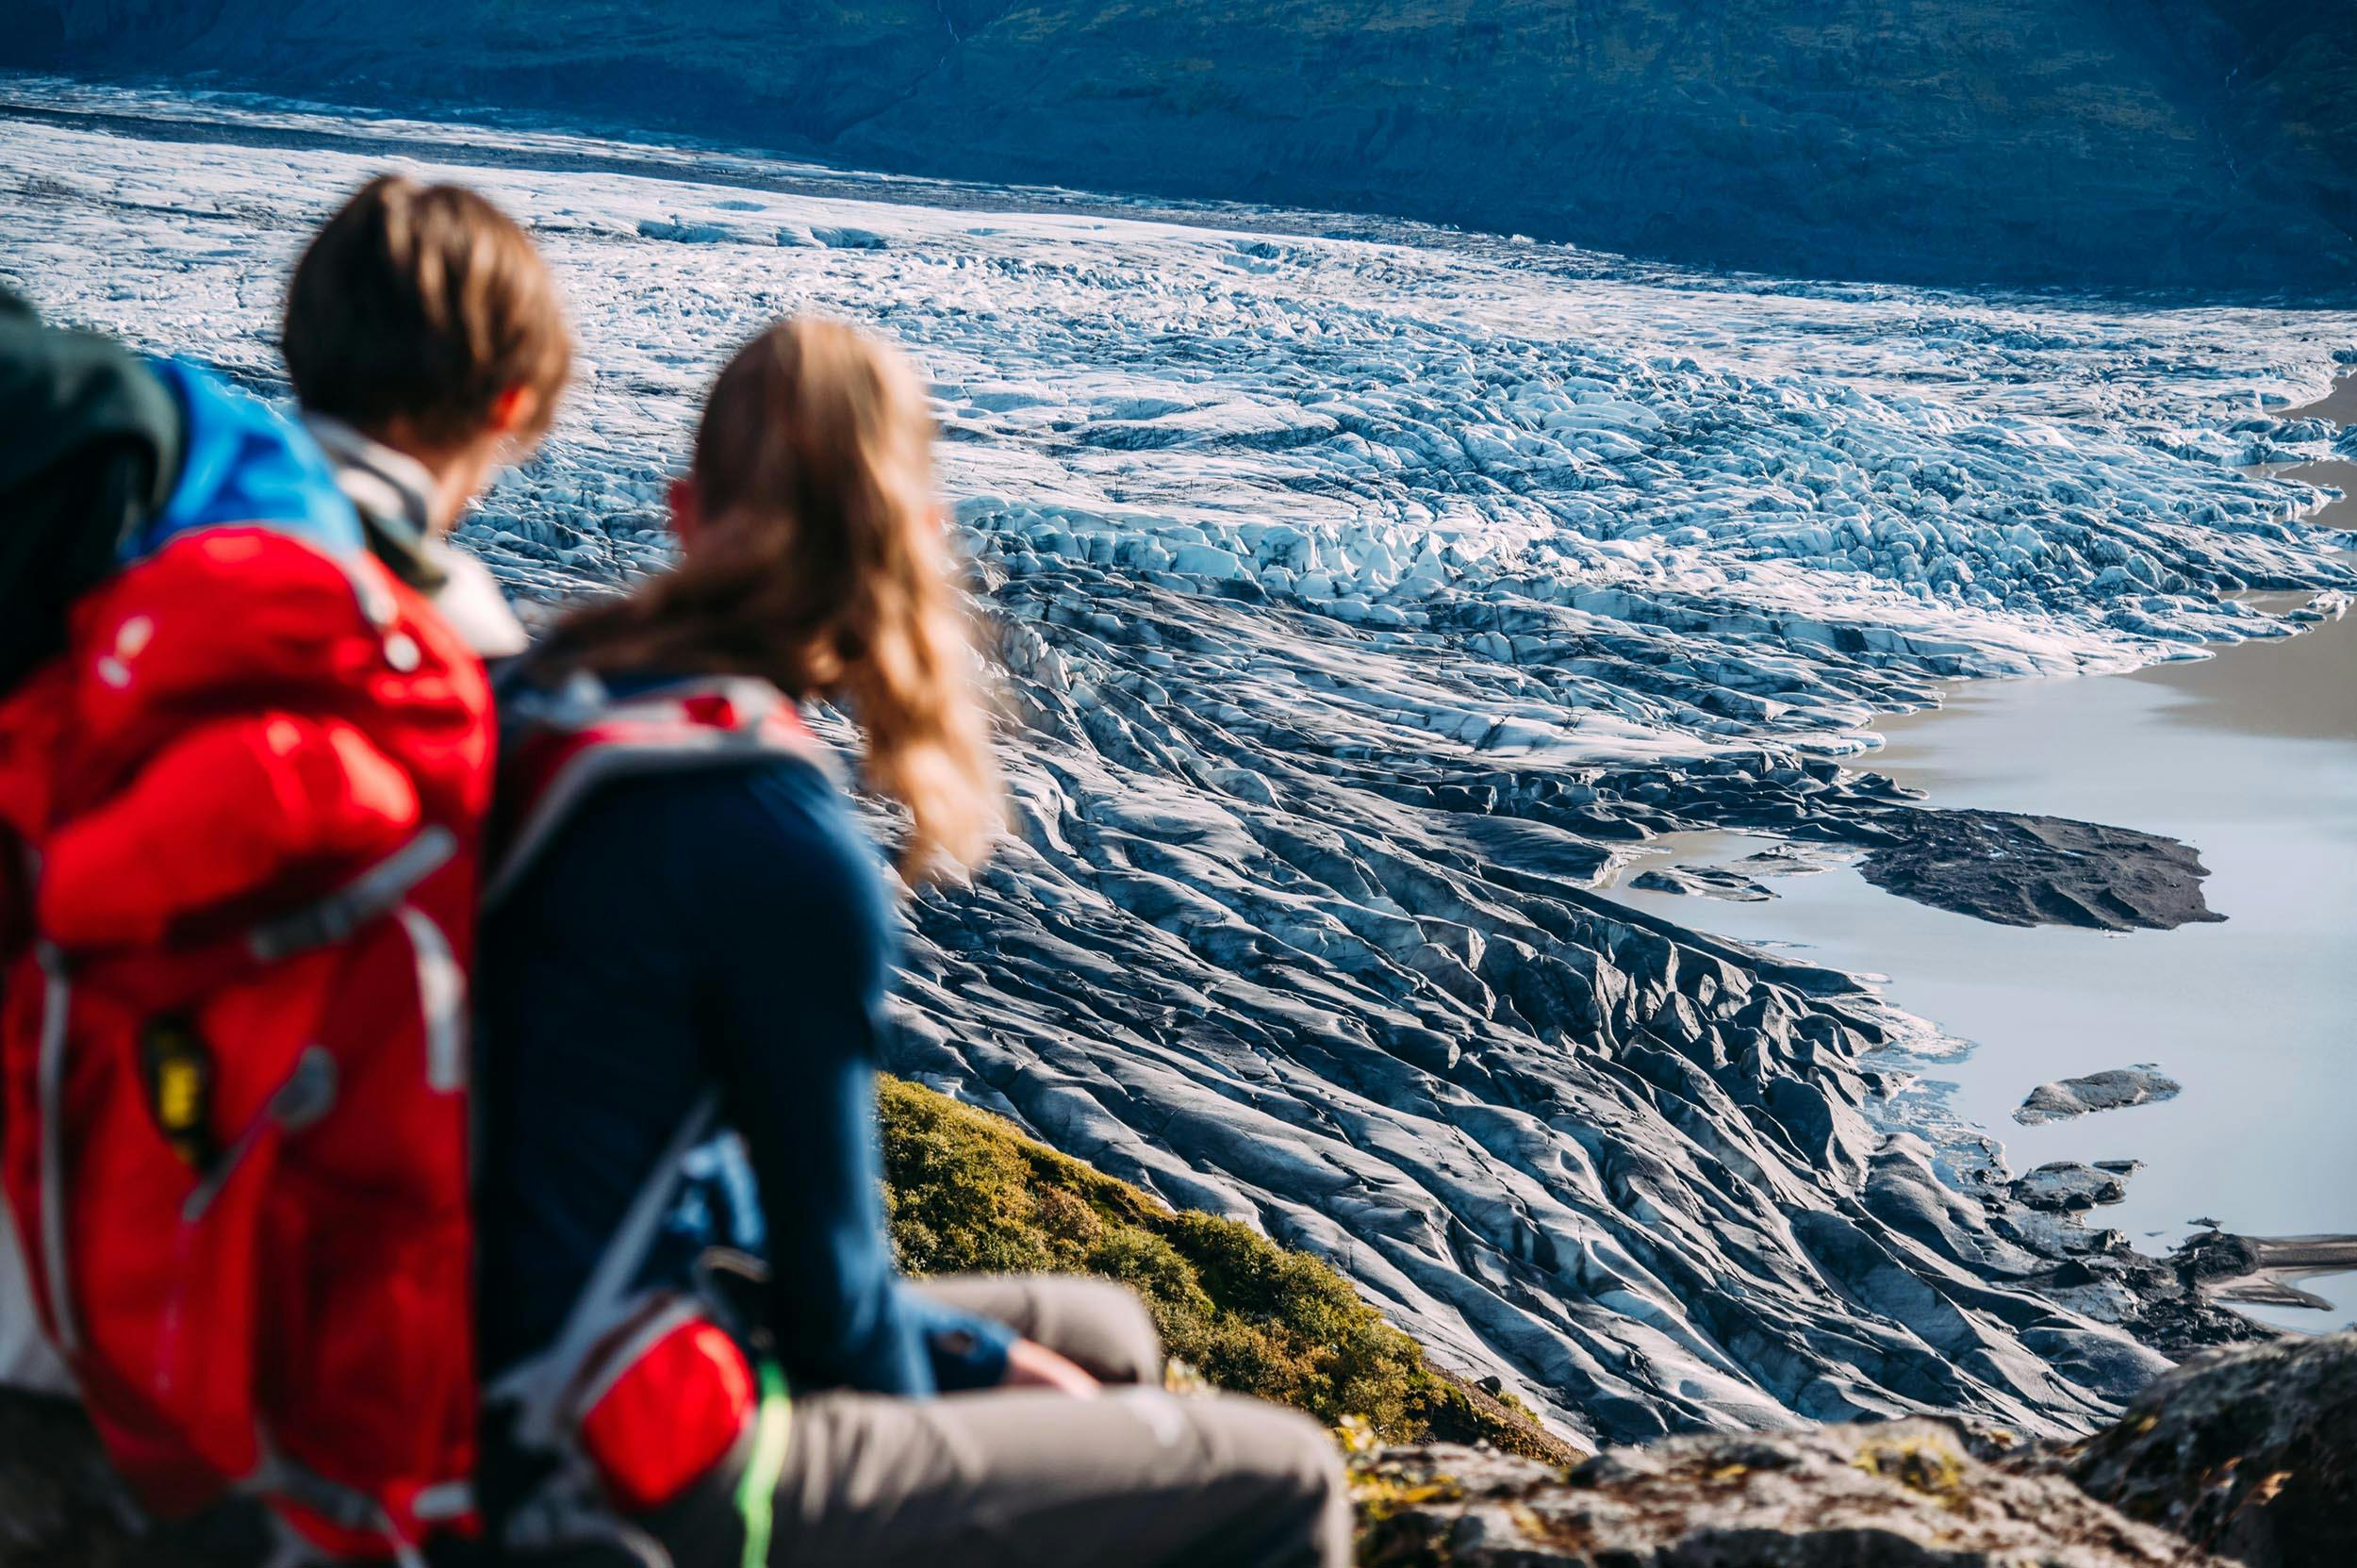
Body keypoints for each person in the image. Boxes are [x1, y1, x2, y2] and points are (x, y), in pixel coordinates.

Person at [473, 317, 1350, 1567]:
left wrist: (990, 1361)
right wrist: (979, 1383)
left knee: (1100, 1331)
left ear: (682, 510)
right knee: (1290, 1480)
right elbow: (833, 1312)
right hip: (608, 1459)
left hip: (496, 1349)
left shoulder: (549, 697)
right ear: (914, 543)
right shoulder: (773, 835)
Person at [0, 175, 571, 1561]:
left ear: (302, 344)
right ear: (510, 409)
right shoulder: (475, 677)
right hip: (220, 1376)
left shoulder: (144, 498)